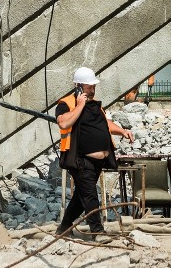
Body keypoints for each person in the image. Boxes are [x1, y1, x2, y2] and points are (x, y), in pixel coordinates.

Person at [55, 67, 134, 241]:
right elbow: (63, 122)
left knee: (80, 197)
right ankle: (97, 232)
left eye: (93, 85)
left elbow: (105, 124)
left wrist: (122, 131)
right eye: (89, 86)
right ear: (78, 86)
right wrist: (80, 104)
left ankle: (63, 229)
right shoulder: (66, 103)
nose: (93, 88)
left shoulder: (96, 105)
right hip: (79, 159)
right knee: (90, 195)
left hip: (97, 162)